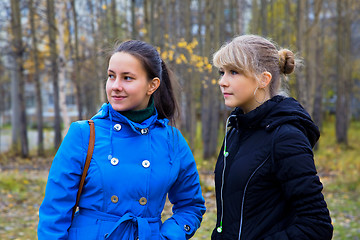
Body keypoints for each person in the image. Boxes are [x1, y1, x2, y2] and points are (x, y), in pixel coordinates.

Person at [38, 40, 206, 240]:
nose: (115, 86)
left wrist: (168, 237)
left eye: (127, 78)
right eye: (111, 76)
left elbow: (191, 206)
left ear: (152, 85)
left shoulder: (172, 141)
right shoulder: (83, 134)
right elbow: (54, 213)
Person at [211, 35, 333, 240]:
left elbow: (316, 226)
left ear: (263, 79)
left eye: (234, 72)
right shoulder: (236, 130)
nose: (222, 82)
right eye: (222, 72)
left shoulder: (286, 137)